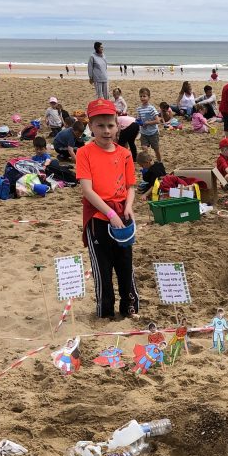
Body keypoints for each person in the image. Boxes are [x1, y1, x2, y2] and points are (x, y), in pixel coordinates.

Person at [77, 98, 138, 320]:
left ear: (117, 125)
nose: (106, 131)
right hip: (99, 217)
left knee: (125, 265)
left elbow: (131, 185)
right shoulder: (85, 153)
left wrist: (128, 206)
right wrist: (110, 214)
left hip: (123, 215)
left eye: (110, 125)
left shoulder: (125, 153)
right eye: (100, 126)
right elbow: (88, 190)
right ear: (91, 126)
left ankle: (129, 309)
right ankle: (105, 312)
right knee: (102, 268)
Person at [136, 87, 163, 162]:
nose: (142, 98)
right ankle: (147, 163)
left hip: (153, 132)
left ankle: (159, 162)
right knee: (144, 148)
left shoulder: (151, 108)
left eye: (144, 96)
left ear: (148, 97)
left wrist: (146, 123)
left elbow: (158, 121)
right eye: (141, 96)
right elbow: (139, 118)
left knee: (156, 149)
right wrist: (138, 121)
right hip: (144, 133)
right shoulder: (139, 109)